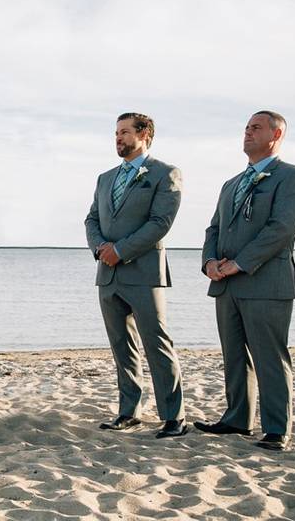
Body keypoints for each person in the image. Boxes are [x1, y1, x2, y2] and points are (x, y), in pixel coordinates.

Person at [196, 110, 295, 452]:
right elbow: (214, 228)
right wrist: (210, 262)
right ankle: (237, 418)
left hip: (266, 282)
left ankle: (276, 428)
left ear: (277, 134)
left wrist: (239, 264)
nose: (247, 132)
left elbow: (280, 229)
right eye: (245, 127)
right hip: (226, 283)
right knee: (234, 355)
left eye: (256, 127)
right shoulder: (231, 184)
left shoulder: (291, 177)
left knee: (269, 355)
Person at [84, 113, 187, 438]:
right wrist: (101, 248)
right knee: (121, 347)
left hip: (144, 274)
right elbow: (91, 219)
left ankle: (175, 417)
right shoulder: (105, 177)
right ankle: (129, 412)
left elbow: (160, 222)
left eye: (125, 132)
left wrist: (121, 250)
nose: (118, 138)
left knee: (157, 344)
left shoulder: (164, 173)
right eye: (116, 132)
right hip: (108, 274)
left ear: (145, 135)